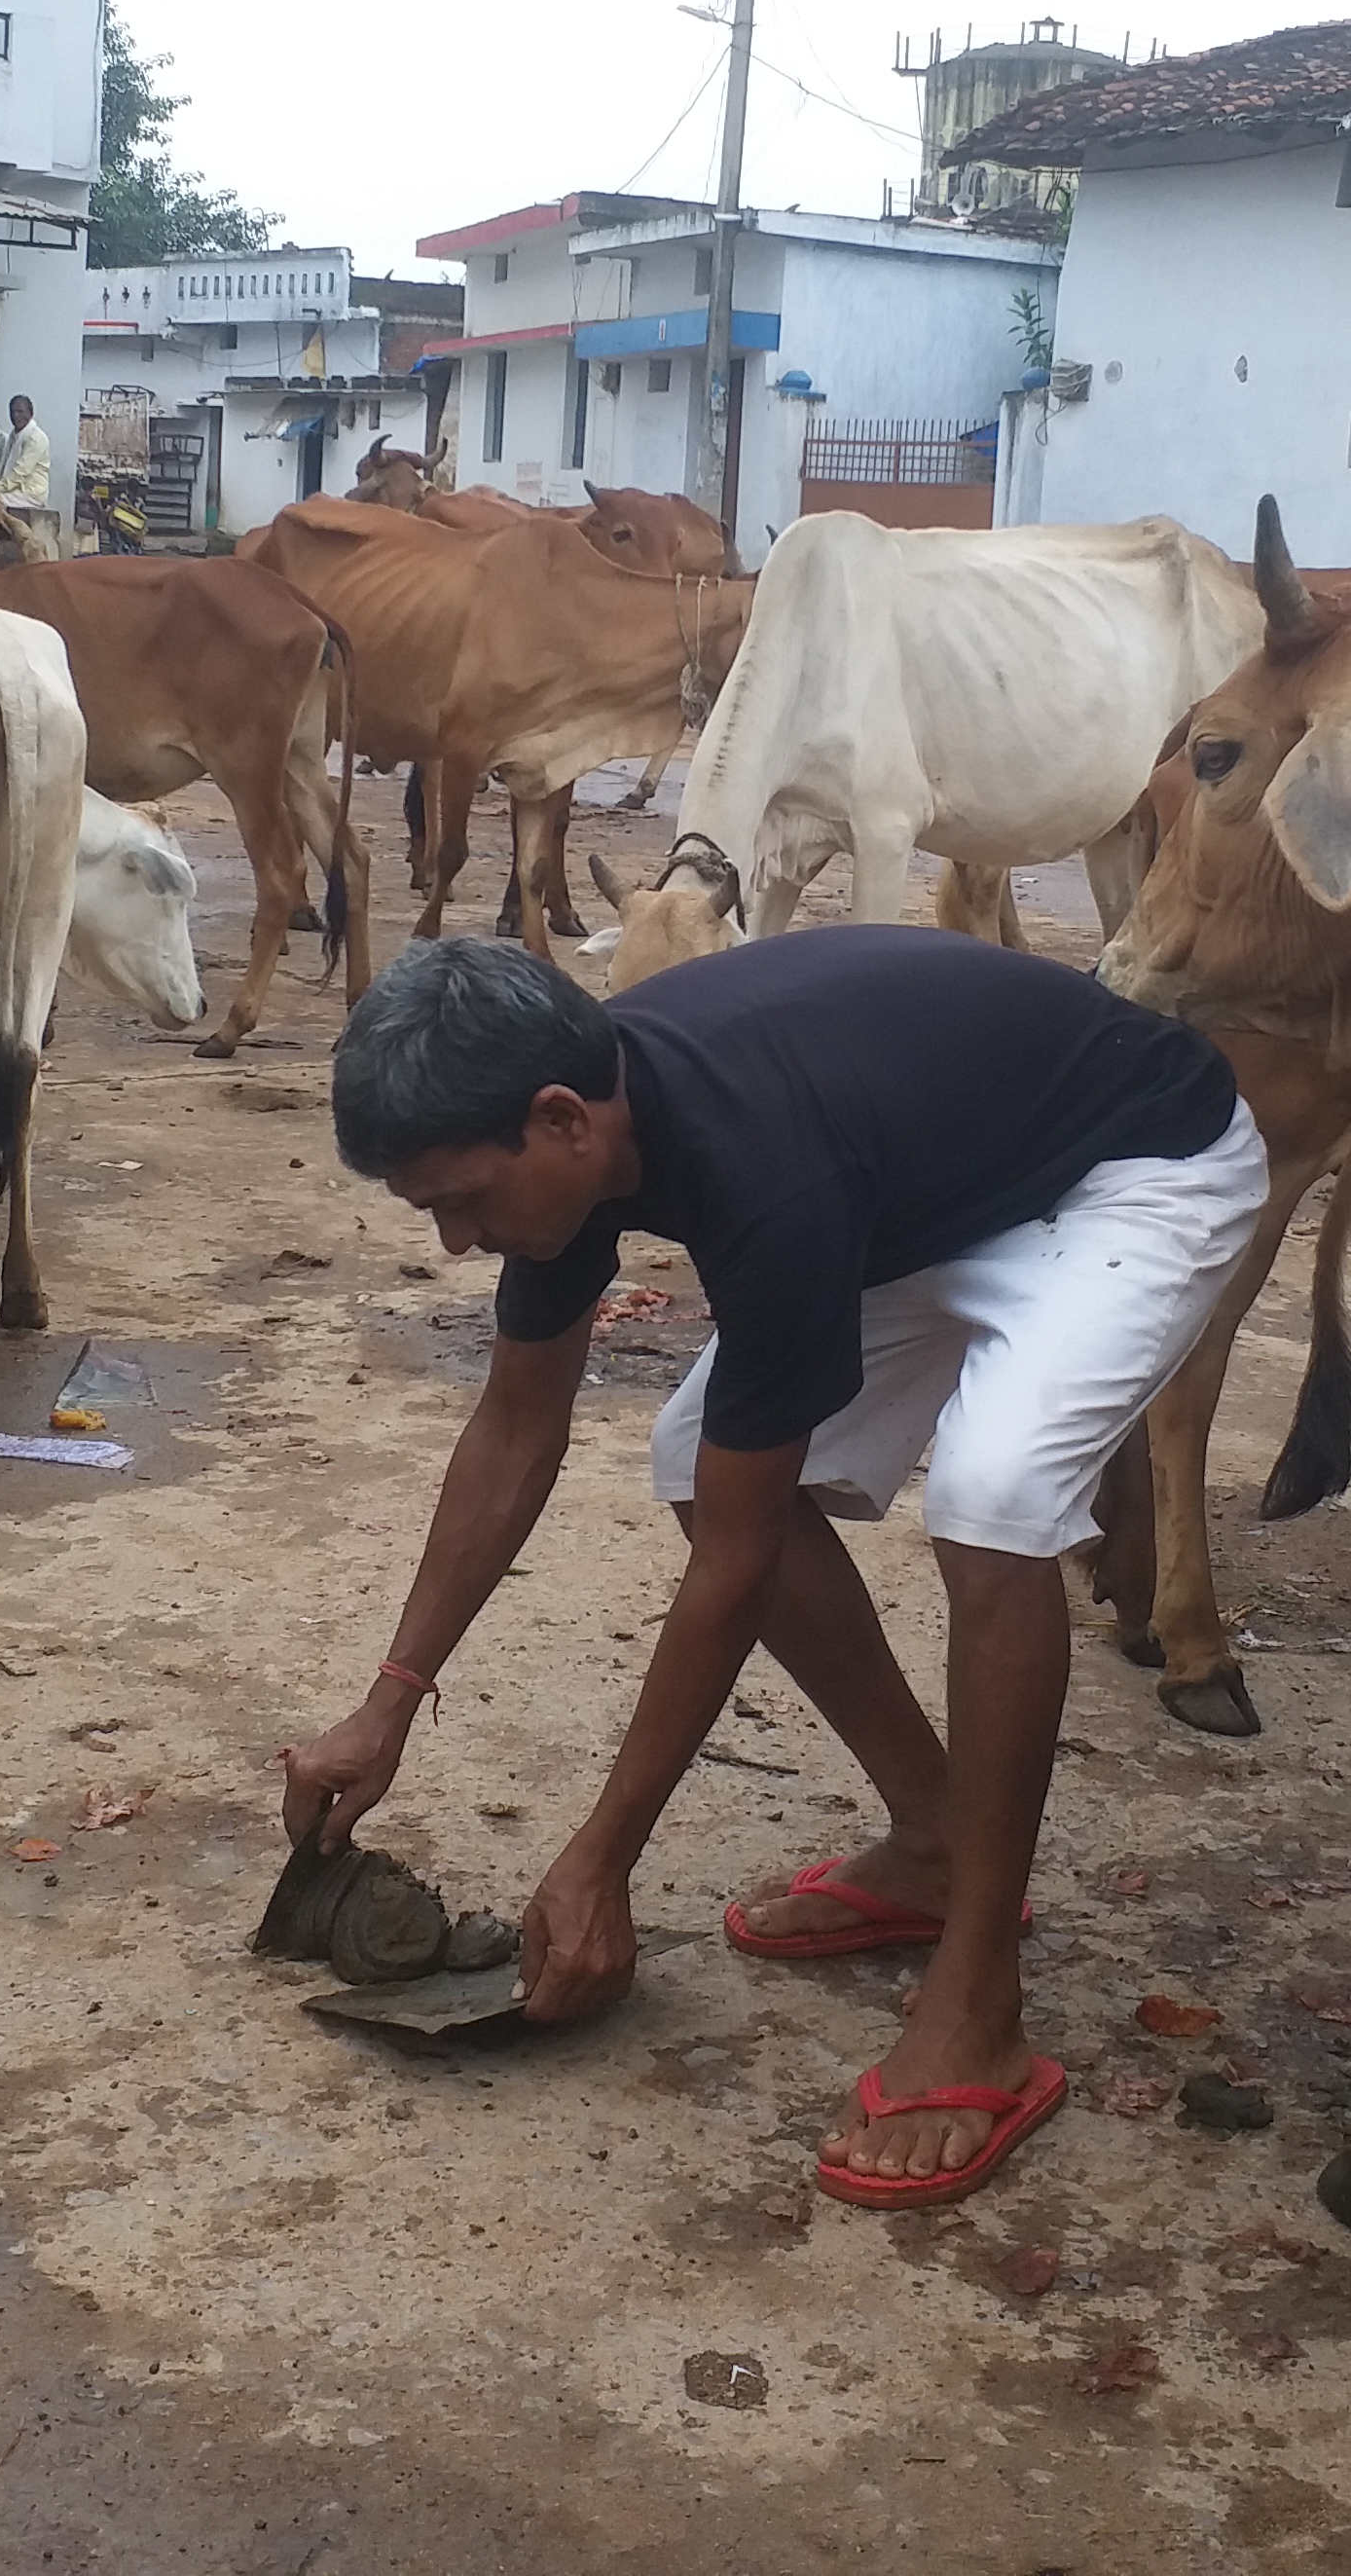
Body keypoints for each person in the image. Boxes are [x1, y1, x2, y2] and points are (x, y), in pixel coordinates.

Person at [281, 932, 1265, 2209]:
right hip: (936, 1178)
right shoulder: (582, 1127)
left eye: (462, 1201)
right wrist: (387, 1703)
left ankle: (979, 2010)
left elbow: (738, 1570)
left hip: (1137, 1167)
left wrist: (601, 1860)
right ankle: (934, 1842)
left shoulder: (760, 1168)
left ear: (562, 1121)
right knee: (703, 1456)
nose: (462, 1242)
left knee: (995, 1499)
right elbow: (518, 1424)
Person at [0, 393, 59, 558]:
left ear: (30, 413)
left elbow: (20, 472)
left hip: (31, 493)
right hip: (16, 491)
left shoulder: (36, 437)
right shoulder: (14, 435)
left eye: (20, 411)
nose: (15, 416)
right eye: (12, 412)